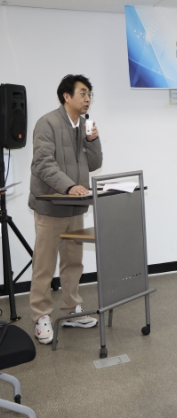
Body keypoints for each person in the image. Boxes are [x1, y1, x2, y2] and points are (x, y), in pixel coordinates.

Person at [29, 74, 103, 344]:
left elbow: (94, 164)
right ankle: (40, 316)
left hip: (75, 207)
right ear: (66, 96)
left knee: (73, 263)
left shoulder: (84, 126)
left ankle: (72, 310)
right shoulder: (47, 123)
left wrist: (93, 140)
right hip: (51, 206)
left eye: (90, 94)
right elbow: (43, 164)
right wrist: (69, 186)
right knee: (44, 265)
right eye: (82, 93)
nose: (87, 98)